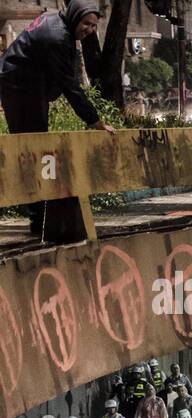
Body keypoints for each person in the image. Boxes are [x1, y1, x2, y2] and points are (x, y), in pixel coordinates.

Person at [0, 0, 115, 241]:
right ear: (75, 17)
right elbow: (70, 84)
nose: (90, 30)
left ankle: (38, 216)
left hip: (27, 85)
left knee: (35, 148)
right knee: (32, 149)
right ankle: (36, 217)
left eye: (94, 26)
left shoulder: (59, 24)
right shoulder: (56, 36)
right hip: (18, 86)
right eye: (87, 24)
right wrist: (94, 121)